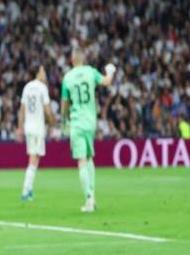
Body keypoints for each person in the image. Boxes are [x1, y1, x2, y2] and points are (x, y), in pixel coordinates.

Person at [61, 46, 116, 212]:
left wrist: (64, 120)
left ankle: (89, 200)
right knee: (89, 157)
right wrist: (110, 70)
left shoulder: (67, 78)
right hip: (91, 122)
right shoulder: (91, 72)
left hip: (77, 122)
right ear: (83, 59)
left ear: (72, 60)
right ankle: (92, 196)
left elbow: (65, 103)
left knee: (82, 161)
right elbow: (107, 82)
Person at [17, 65, 54, 201]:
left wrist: (20, 127)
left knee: (35, 158)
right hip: (38, 128)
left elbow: (22, 109)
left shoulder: (27, 87)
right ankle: (26, 191)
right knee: (33, 159)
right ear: (38, 73)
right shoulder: (42, 88)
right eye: (43, 71)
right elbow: (48, 110)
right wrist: (52, 123)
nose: (44, 73)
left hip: (29, 127)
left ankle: (29, 189)